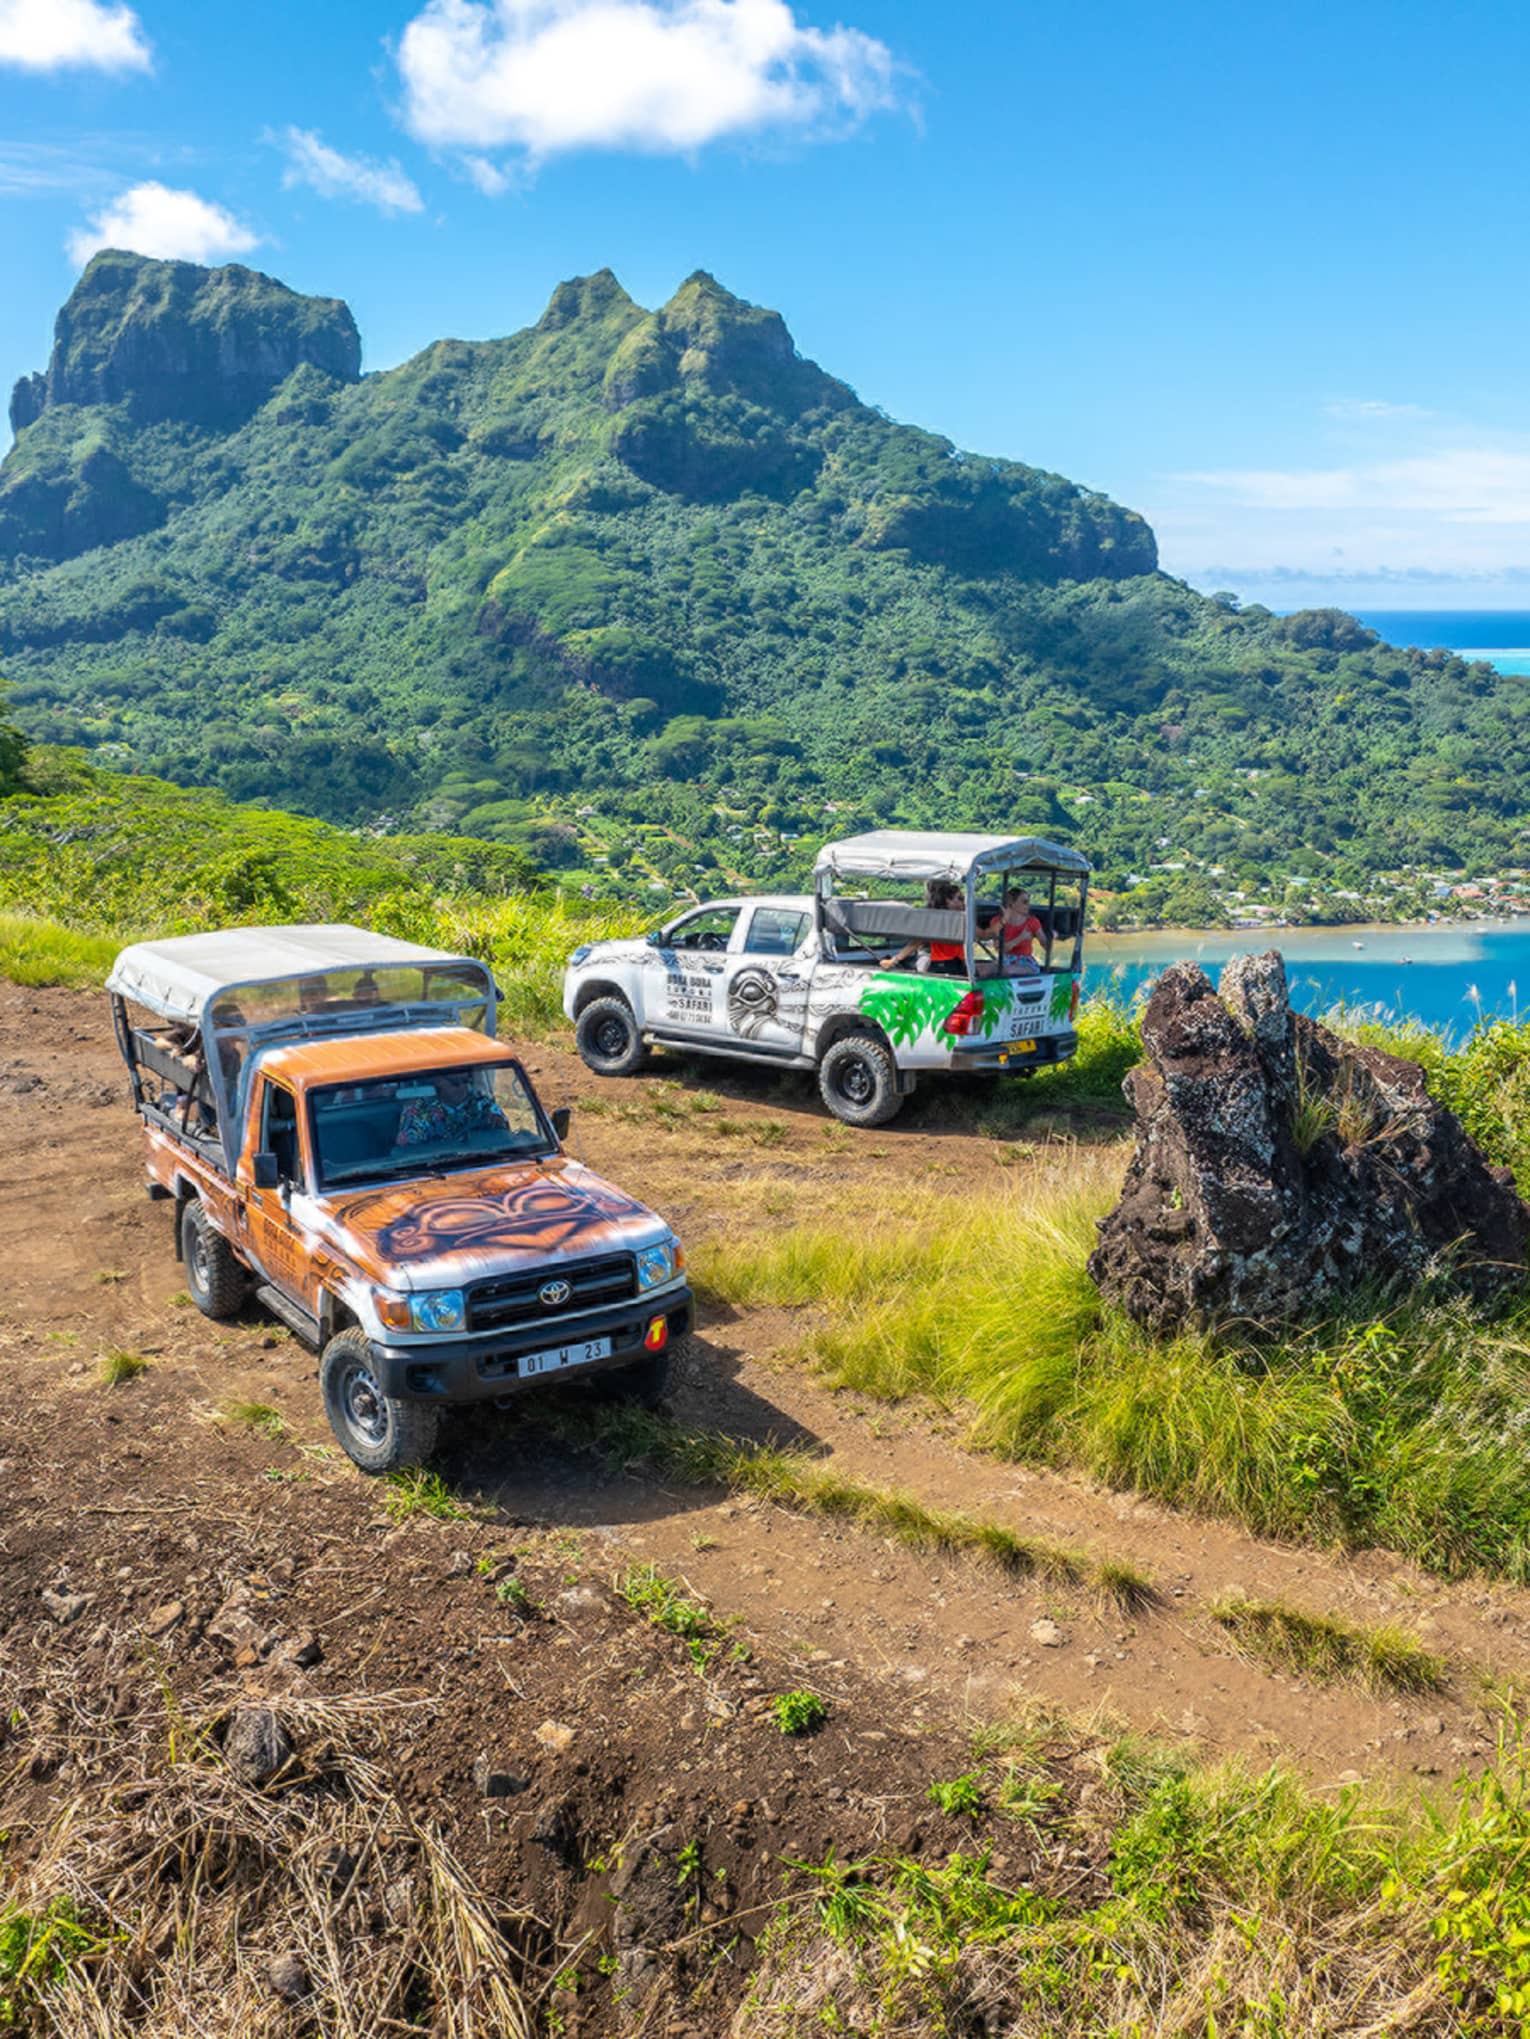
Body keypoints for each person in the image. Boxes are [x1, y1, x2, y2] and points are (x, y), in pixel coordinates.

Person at [396, 1067, 509, 1148]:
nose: (463, 1087)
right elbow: (408, 1153)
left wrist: (498, 1124)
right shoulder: (418, 1111)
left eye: (466, 1081)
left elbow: (507, 1135)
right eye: (455, 1083)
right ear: (438, 1081)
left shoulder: (482, 1104)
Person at [888, 880, 967, 977]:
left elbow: (917, 941)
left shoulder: (956, 916)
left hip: (942, 958)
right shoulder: (932, 914)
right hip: (931, 955)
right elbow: (918, 941)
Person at [984, 888, 1045, 973]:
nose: (1028, 905)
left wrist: (1051, 936)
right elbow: (1000, 949)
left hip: (1025, 962)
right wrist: (1020, 938)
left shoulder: (1032, 921)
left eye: (1028, 902)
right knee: (982, 968)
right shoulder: (998, 922)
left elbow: (1046, 946)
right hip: (1005, 960)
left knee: (1008, 970)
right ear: (1011, 904)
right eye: (1025, 902)